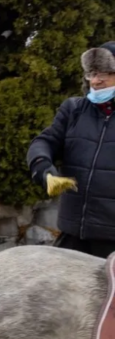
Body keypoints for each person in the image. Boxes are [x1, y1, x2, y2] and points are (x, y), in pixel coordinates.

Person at [28, 42, 115, 258]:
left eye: (105, 73)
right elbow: (45, 141)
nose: (96, 80)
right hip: (72, 234)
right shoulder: (73, 110)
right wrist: (42, 166)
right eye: (92, 73)